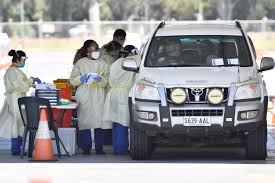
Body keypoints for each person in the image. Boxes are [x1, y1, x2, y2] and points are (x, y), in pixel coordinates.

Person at [70, 40, 109, 155]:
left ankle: (99, 148)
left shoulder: (102, 63)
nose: (97, 51)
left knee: (99, 122)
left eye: (97, 49)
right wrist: (81, 78)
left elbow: (107, 79)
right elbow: (72, 80)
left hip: (98, 94)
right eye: (94, 49)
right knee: (85, 122)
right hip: (84, 94)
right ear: (87, 51)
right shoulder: (80, 63)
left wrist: (100, 79)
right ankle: (86, 148)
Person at [0, 49, 39, 155]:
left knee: (20, 123)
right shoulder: (11, 71)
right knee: (16, 123)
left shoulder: (16, 71)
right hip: (14, 99)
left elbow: (21, 83)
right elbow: (19, 86)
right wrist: (30, 83)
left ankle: (18, 148)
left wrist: (31, 80)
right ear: (18, 59)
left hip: (19, 99)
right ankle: (15, 148)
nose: (24, 63)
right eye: (23, 60)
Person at [102, 45, 139, 155]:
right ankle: (122, 149)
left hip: (113, 93)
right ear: (131, 53)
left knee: (116, 122)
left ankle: (116, 148)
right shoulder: (132, 63)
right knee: (123, 122)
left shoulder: (116, 62)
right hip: (123, 93)